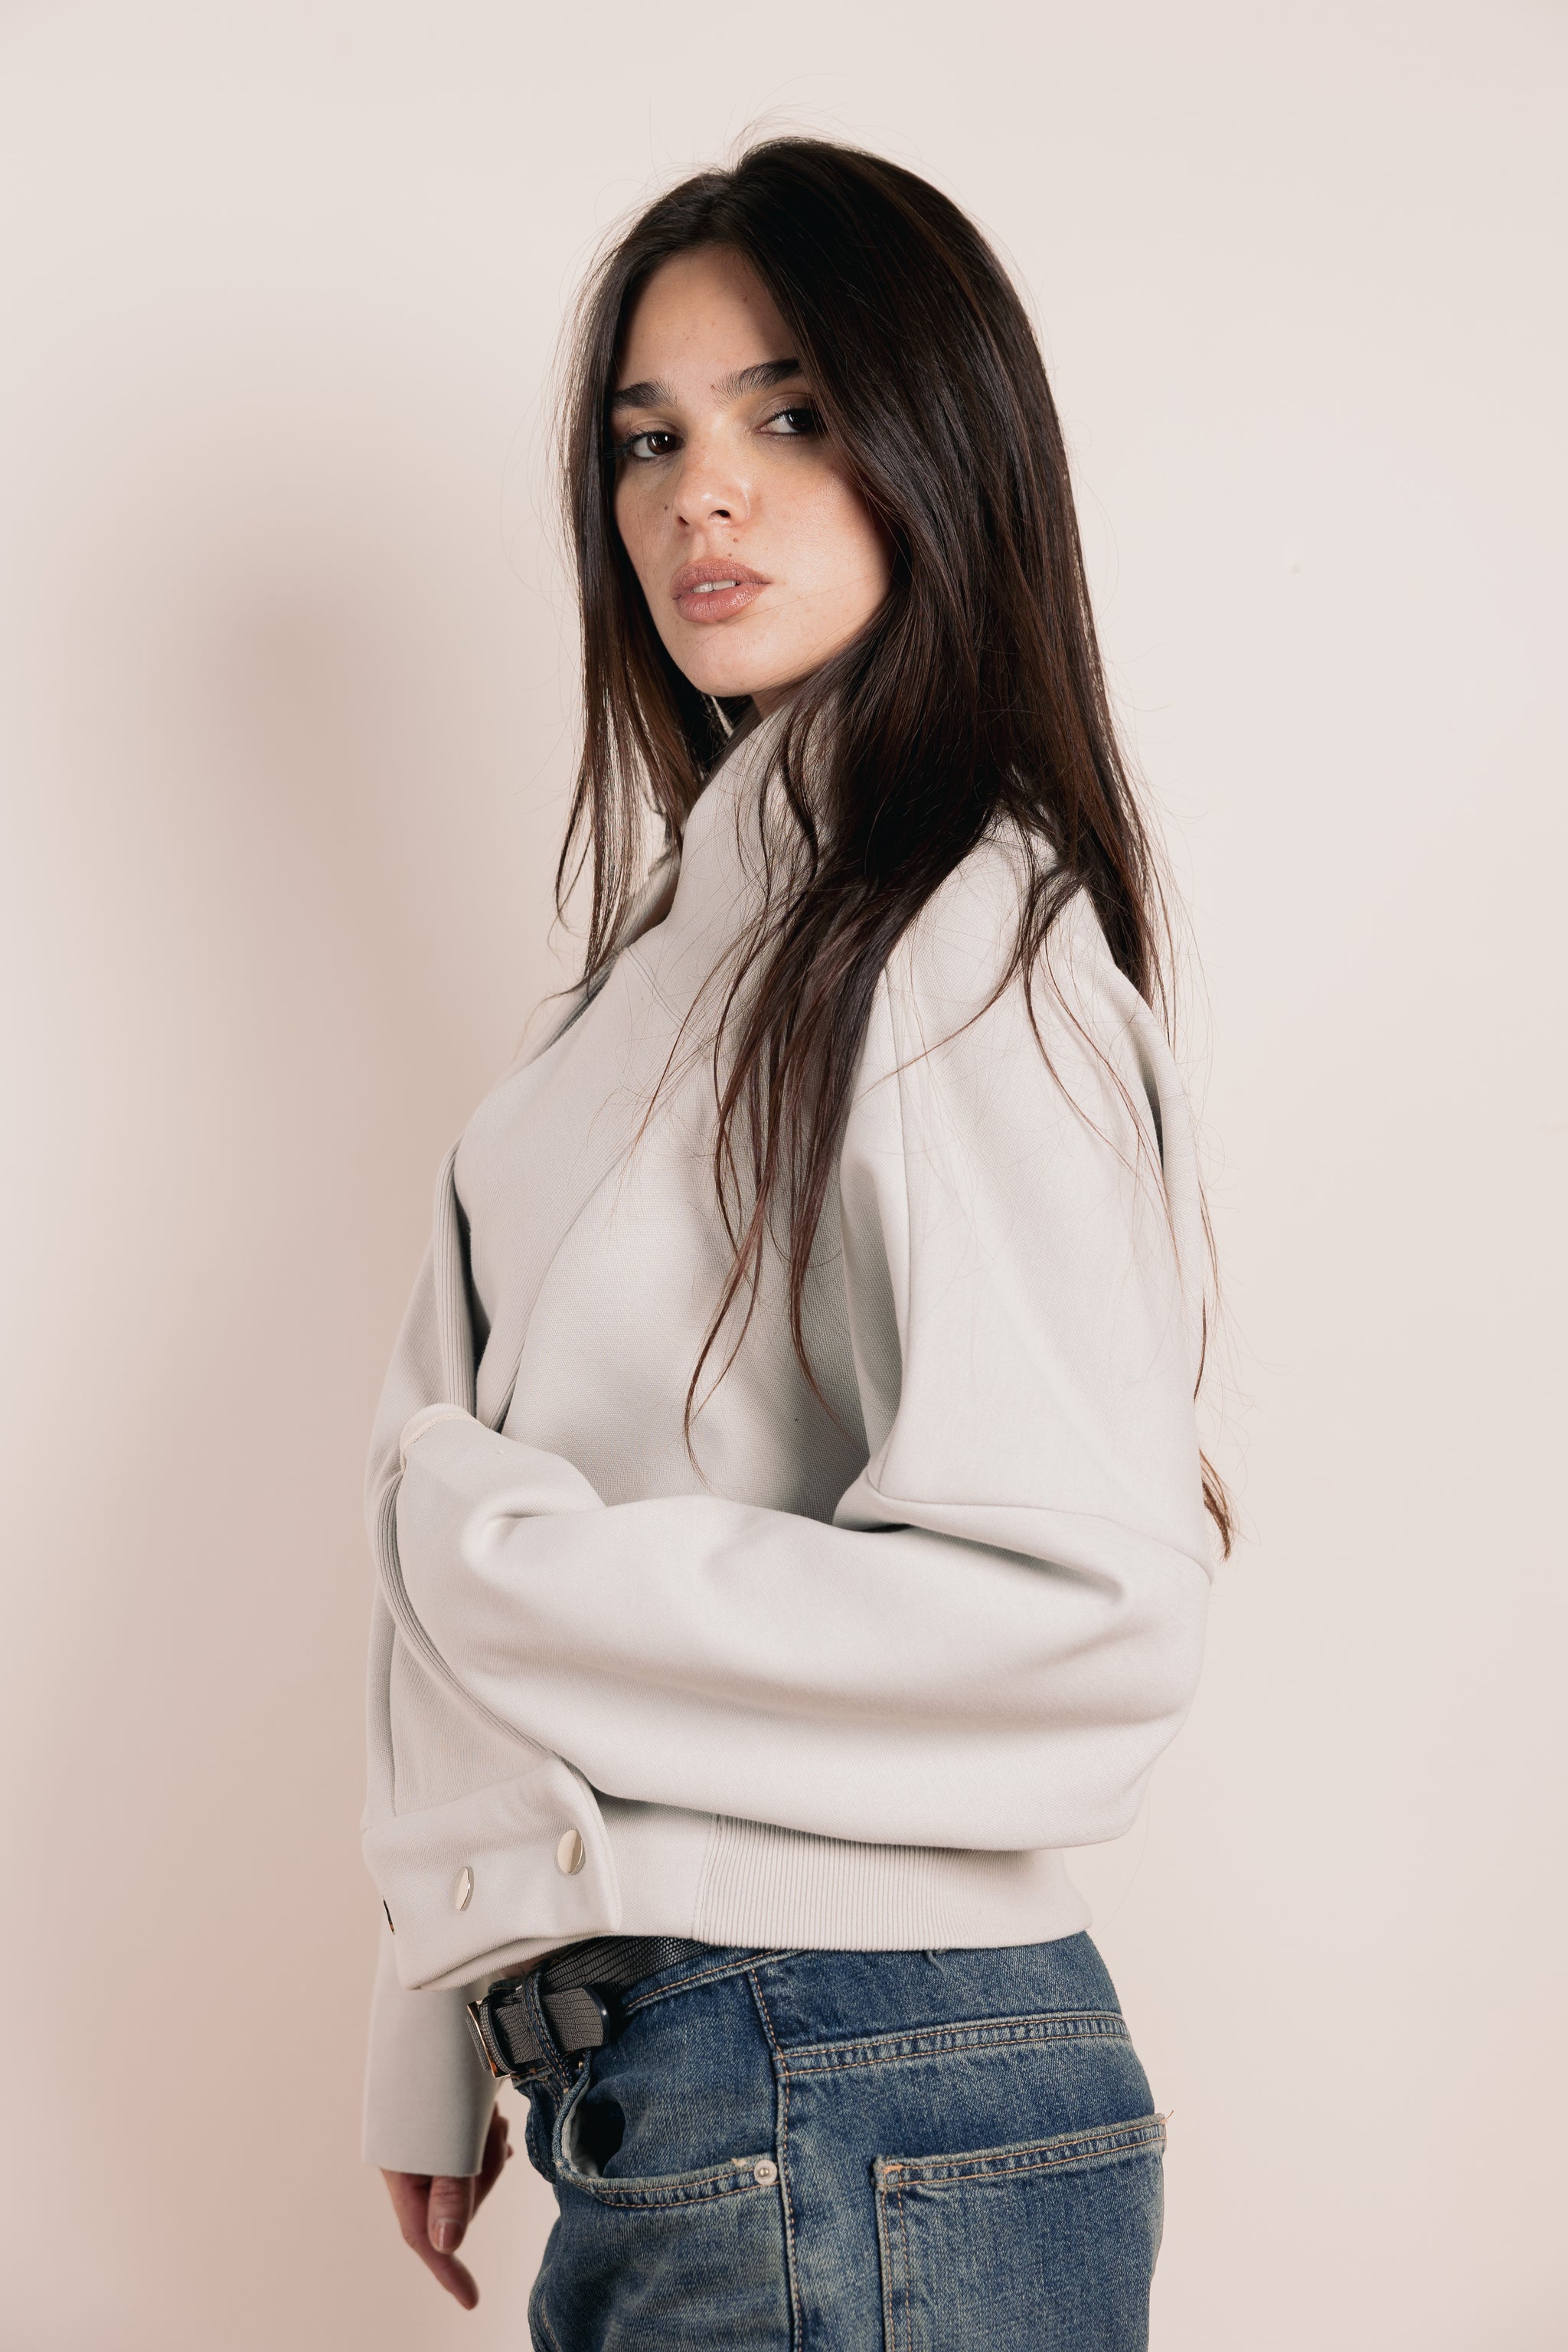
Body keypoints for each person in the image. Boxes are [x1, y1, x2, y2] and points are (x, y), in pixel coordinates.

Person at [361, 136, 1230, 2350]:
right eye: (648, 440)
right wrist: (441, 2002)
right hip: (713, 2082)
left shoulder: (952, 935)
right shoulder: (679, 962)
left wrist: (507, 1571)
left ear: (943, 445)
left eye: (792, 412)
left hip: (842, 2068)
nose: (701, 498)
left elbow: (1089, 1603)